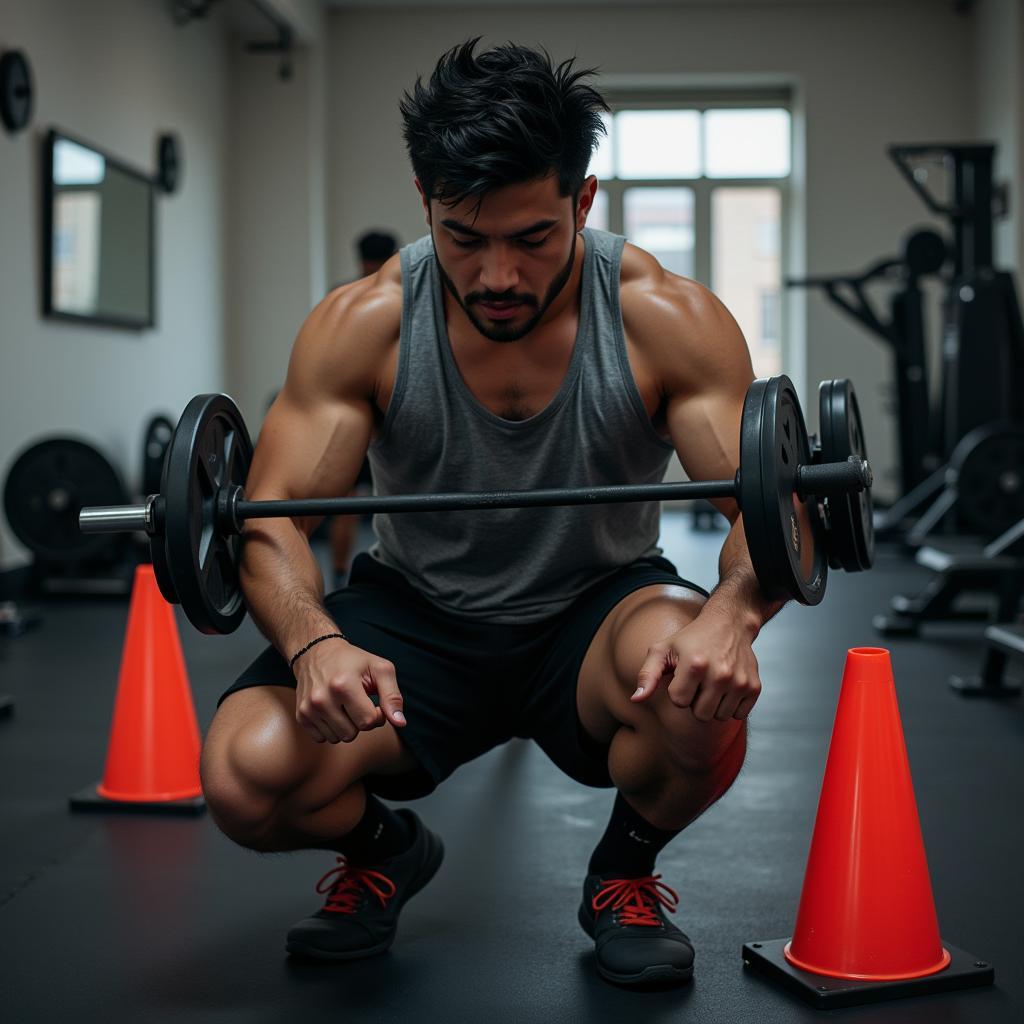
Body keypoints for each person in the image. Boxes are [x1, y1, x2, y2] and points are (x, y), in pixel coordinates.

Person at [201, 40, 780, 988]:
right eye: (465, 239)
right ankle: (386, 853)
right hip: (418, 616)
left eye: (533, 237)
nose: (497, 275)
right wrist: (313, 643)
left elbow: (770, 509)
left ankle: (623, 872)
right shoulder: (368, 325)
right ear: (425, 198)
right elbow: (265, 520)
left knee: (698, 689)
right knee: (243, 774)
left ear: (582, 203)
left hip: (600, 612)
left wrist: (732, 616)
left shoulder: (660, 318)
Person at [327, 231, 400, 585]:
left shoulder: (342, 300)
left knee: (346, 502)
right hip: (390, 409)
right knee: (401, 494)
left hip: (353, 411)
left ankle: (341, 576)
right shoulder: (405, 298)